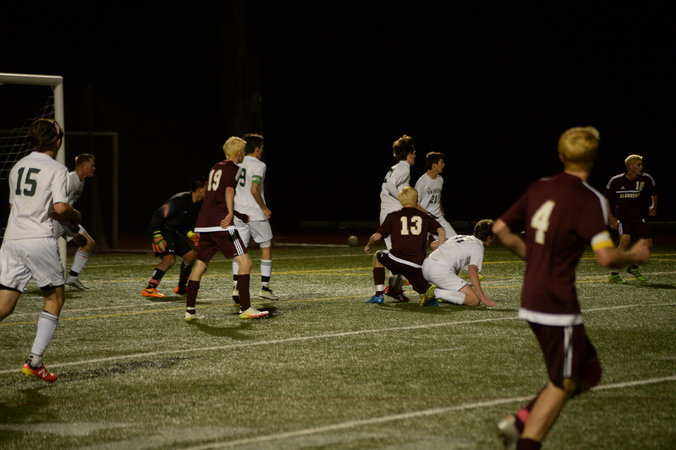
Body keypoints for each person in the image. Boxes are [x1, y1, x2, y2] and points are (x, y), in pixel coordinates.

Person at [491, 126, 650, 449]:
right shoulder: (590, 199)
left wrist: (533, 257)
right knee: (563, 382)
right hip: (556, 303)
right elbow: (605, 257)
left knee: (589, 372)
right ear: (593, 159)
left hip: (534, 294)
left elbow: (501, 228)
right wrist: (634, 256)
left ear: (561, 155)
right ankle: (525, 441)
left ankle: (520, 421)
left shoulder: (540, 187)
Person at [0, 118, 81, 382]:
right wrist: (75, 215)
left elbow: (13, 206)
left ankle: (35, 362)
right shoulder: (57, 169)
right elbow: (60, 208)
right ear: (58, 141)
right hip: (38, 239)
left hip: (12, 239)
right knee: (55, 298)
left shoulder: (18, 165)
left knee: (4, 306)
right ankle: (35, 362)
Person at [183, 136, 269, 321]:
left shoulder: (215, 167)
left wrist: (237, 214)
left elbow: (215, 196)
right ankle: (246, 308)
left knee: (200, 264)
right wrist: (230, 213)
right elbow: (229, 191)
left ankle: (190, 311)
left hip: (205, 223)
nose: (244, 154)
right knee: (246, 263)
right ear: (239, 152)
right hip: (221, 224)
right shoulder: (234, 168)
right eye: (243, 151)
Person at [364, 186, 446, 304]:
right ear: (416, 199)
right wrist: (440, 252)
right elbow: (441, 231)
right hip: (417, 264)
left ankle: (379, 295)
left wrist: (369, 245)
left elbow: (376, 237)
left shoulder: (393, 216)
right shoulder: (424, 216)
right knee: (425, 293)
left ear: (400, 200)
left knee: (378, 256)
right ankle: (427, 292)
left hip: (396, 259)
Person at [231, 133, 278, 303]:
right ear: (257, 149)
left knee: (240, 251)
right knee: (266, 247)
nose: (262, 151)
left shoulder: (237, 163)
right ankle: (264, 288)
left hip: (238, 212)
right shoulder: (259, 165)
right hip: (255, 213)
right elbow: (254, 189)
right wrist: (264, 208)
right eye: (261, 148)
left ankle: (236, 287)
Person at [141, 176, 207, 298]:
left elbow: (182, 225)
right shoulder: (181, 199)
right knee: (169, 259)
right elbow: (158, 214)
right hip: (161, 230)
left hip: (172, 231)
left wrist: (191, 235)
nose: (210, 190)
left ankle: (181, 288)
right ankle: (149, 289)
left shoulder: (194, 204)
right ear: (200, 189)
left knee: (190, 256)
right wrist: (157, 235)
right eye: (207, 187)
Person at [604, 154, 658, 283]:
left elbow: (654, 193)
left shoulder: (646, 178)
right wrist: (611, 218)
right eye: (638, 165)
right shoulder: (616, 180)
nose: (642, 167)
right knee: (625, 241)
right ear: (630, 166)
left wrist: (654, 206)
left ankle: (633, 268)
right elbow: (605, 199)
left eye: (641, 164)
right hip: (622, 216)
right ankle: (614, 275)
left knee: (648, 244)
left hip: (637, 216)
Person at [421, 219, 497, 307]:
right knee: (474, 300)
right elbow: (472, 272)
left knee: (460, 291)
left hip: (426, 267)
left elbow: (434, 245)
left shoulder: (461, 237)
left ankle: (440, 292)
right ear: (489, 237)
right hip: (440, 272)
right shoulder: (478, 246)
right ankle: (436, 292)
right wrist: (484, 298)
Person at [379, 134, 417, 295]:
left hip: (387, 213)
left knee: (397, 253)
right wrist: (403, 200)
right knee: (402, 253)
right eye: (414, 152)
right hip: (393, 215)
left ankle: (394, 289)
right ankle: (395, 288)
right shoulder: (404, 167)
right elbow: (389, 185)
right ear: (409, 154)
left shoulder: (395, 167)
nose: (415, 155)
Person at [52, 153, 96, 290]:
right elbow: (55, 203)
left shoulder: (81, 181)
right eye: (92, 165)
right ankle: (17, 280)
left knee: (88, 243)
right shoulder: (69, 179)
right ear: (83, 166)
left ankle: (72, 278)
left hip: (66, 220)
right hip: (55, 220)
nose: (94, 168)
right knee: (42, 252)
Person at [414, 151, 457, 239]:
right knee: (418, 245)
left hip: (438, 217)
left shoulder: (440, 179)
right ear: (434, 165)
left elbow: (438, 196)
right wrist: (427, 214)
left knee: (454, 239)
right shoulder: (422, 182)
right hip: (423, 218)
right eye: (442, 162)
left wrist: (441, 210)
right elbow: (414, 203)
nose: (444, 164)